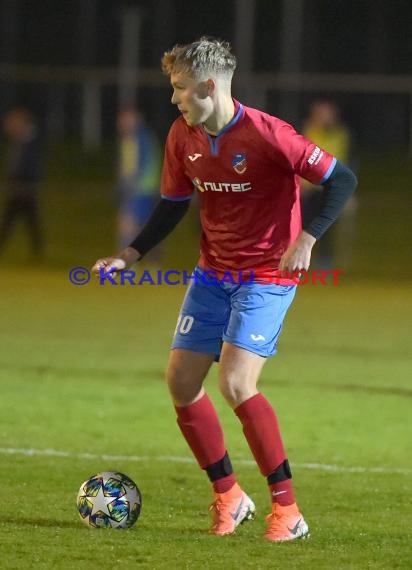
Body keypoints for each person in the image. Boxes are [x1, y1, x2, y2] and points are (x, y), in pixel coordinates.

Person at [92, 37, 357, 542]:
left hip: (267, 273)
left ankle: (288, 510)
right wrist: (128, 255)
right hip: (213, 273)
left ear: (209, 87)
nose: (174, 99)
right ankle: (230, 497)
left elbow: (341, 179)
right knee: (180, 382)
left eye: (180, 89)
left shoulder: (269, 134)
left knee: (236, 384)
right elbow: (172, 204)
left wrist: (307, 237)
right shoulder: (181, 136)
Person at [301, 98, 357, 270]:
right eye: (321, 113)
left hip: (329, 189)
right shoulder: (308, 131)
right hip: (308, 189)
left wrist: (349, 195)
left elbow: (347, 164)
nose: (324, 117)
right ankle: (295, 261)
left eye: (327, 113)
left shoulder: (341, 135)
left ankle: (324, 264)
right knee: (300, 226)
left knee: (324, 230)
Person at [0, 106, 43, 257]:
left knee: (12, 219)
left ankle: (37, 252)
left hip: (23, 186)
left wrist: (26, 182)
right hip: (18, 185)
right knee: (26, 220)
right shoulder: (19, 141)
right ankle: (37, 252)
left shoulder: (29, 141)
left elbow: (31, 164)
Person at [116, 106, 161, 249]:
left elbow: (142, 165)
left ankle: (127, 261)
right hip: (140, 188)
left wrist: (132, 184)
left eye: (126, 119)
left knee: (129, 223)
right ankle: (149, 258)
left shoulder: (141, 139)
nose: (122, 123)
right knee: (142, 225)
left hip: (140, 189)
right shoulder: (129, 139)